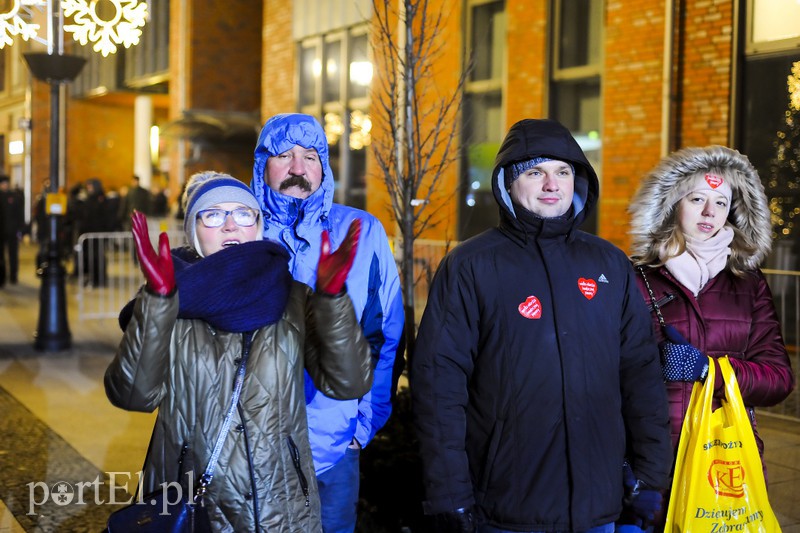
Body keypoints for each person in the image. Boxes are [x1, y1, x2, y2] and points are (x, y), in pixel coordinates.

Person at [411, 118, 673, 532]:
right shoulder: (471, 266)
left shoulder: (609, 263)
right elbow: (439, 384)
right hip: (506, 505)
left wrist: (651, 474)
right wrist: (448, 493)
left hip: (601, 504)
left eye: (564, 172)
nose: (552, 184)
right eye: (536, 172)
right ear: (508, 185)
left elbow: (640, 373)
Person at [105, 171, 374, 532]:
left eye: (243, 213)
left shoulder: (294, 298)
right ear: (194, 230)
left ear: (258, 225)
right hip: (193, 506)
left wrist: (332, 300)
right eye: (213, 215)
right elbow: (132, 395)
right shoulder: (170, 298)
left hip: (280, 508)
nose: (230, 225)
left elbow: (349, 383)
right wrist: (157, 302)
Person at [627, 145, 795, 530]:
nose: (709, 213)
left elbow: (779, 378)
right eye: (697, 198)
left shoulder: (749, 284)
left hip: (723, 458)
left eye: (721, 202)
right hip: (652, 463)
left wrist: (709, 370)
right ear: (671, 204)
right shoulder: (636, 279)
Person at [250, 113, 404, 532]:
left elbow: (385, 330)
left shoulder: (361, 231)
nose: (299, 168)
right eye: (285, 155)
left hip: (335, 443)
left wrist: (366, 421)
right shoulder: (243, 232)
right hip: (250, 449)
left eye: (312, 156)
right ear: (263, 162)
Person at [0, 175, 25, 285]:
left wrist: (21, 229)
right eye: (3, 183)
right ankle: (2, 277)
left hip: (12, 230)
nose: (5, 185)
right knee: (1, 256)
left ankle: (13, 276)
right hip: (1, 231)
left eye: (6, 183)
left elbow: (19, 214)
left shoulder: (14, 197)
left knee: (13, 254)